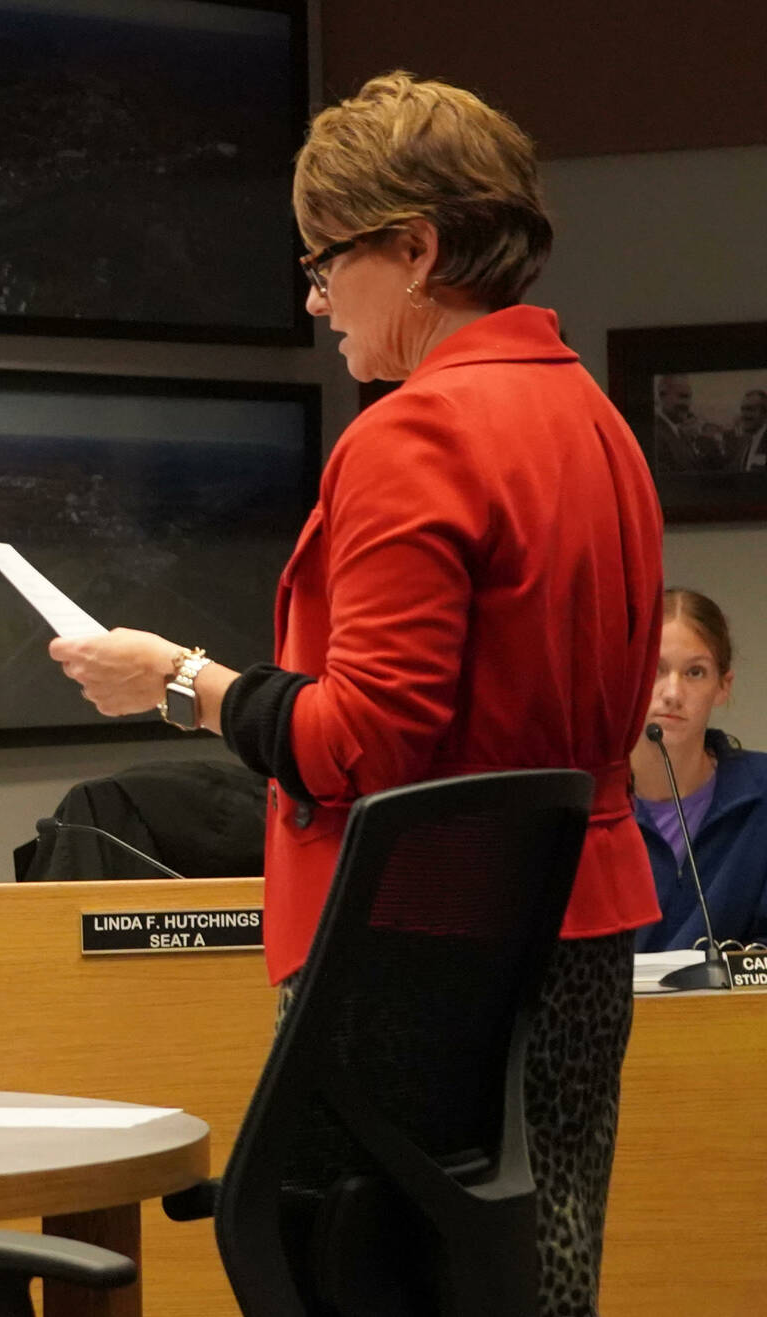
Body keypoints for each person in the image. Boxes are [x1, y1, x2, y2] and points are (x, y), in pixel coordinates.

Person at [48, 72, 662, 1316]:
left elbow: (357, 742)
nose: (317, 297)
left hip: (411, 954)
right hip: (580, 929)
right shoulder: (593, 420)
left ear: (416, 250)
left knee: (366, 1281)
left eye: (326, 262)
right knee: (529, 1279)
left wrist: (183, 680)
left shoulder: (412, 433)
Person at [632, 589, 767, 950]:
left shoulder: (762, 793)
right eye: (655, 669)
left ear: (723, 687)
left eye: (695, 672)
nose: (673, 693)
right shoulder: (588, 803)